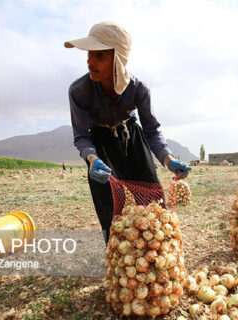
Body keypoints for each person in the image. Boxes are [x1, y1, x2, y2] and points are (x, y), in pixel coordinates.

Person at [65, 21, 191, 244]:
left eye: (100, 56)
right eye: (89, 54)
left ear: (118, 61)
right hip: (100, 143)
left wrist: (167, 158)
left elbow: (151, 130)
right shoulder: (79, 91)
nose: (89, 61)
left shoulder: (138, 89)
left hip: (131, 136)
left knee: (151, 192)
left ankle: (158, 246)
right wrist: (92, 159)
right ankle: (116, 250)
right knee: (108, 199)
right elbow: (81, 136)